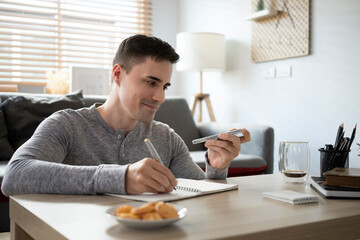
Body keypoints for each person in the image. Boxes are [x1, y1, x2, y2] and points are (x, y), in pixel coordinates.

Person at [1, 34, 250, 196]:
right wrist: (120, 177)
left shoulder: (166, 137)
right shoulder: (67, 125)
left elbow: (203, 195)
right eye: (151, 82)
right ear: (118, 74)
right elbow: (15, 175)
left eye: (164, 86)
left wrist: (217, 168)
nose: (160, 97)